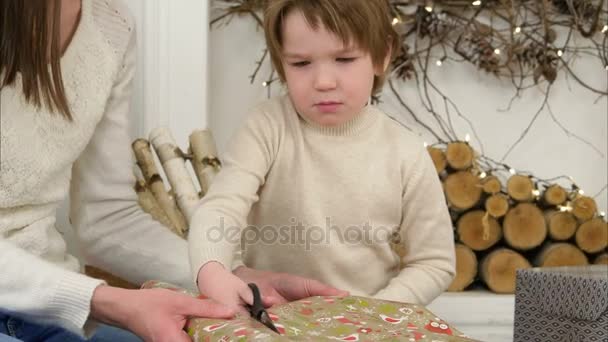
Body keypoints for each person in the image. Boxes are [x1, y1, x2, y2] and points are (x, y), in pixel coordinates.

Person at [0, 1, 346, 341]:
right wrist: (104, 301)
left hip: (55, 308)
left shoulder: (111, 29)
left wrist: (224, 274)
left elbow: (106, 218)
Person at [190, 0, 457, 311]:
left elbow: (434, 261)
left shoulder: (405, 152)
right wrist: (211, 270)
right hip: (269, 318)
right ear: (281, 65)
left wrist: (376, 312)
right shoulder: (267, 127)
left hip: (368, 324)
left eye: (344, 58)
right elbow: (222, 207)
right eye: (301, 64)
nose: (324, 82)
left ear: (381, 56)